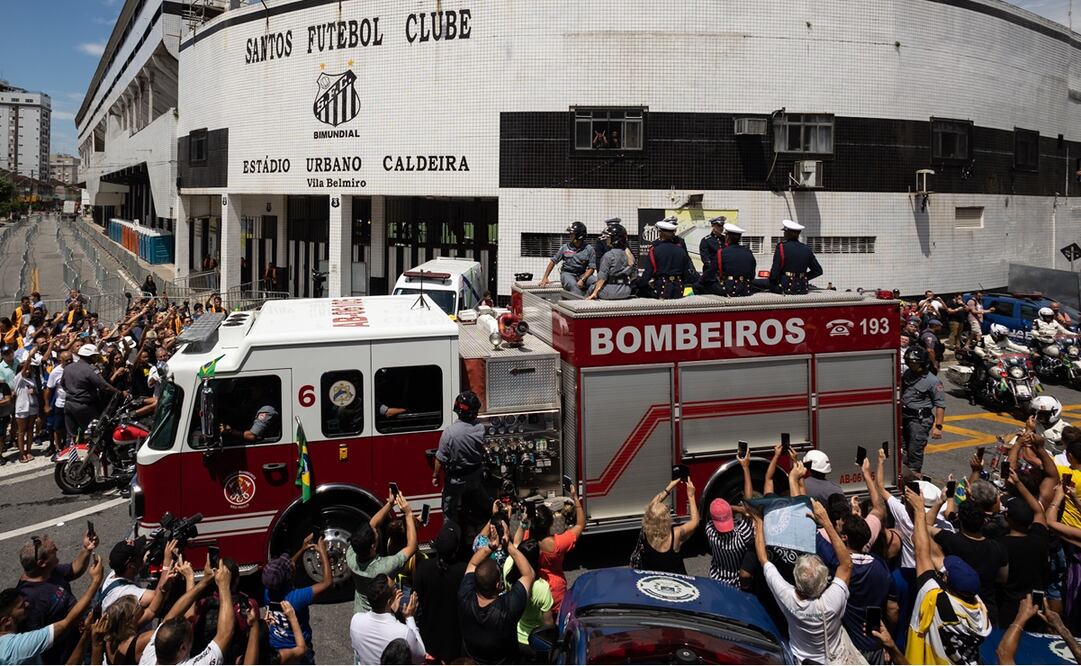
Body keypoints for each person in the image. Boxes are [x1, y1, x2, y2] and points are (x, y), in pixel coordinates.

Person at [751, 499, 863, 664]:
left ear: (796, 579)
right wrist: (826, 522)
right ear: (824, 583)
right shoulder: (833, 600)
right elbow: (846, 564)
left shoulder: (787, 597)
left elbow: (763, 559)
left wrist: (759, 521)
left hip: (801, 660)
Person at [903, 487, 991, 665]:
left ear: (947, 580)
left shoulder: (935, 599)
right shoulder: (980, 610)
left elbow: (922, 553)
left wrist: (919, 511)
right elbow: (934, 556)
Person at [0, 553, 103, 664]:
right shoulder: (19, 647)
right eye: (21, 606)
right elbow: (67, 623)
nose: (27, 605)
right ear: (6, 621)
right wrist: (96, 580)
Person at [15, 528, 99, 663]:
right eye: (53, 551)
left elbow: (73, 570)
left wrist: (86, 549)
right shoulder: (30, 600)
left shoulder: (49, 571)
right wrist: (95, 582)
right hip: (68, 656)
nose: (58, 550)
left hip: (82, 635)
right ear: (41, 563)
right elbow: (41, 641)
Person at [817, 513, 890, 663]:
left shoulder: (835, 563)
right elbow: (892, 608)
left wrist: (826, 523)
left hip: (850, 648)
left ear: (844, 537)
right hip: (876, 643)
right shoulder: (881, 565)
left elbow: (814, 533)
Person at [458, 526, 533, 664]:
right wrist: (509, 546)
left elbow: (473, 563)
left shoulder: (464, 596)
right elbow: (528, 574)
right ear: (499, 585)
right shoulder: (507, 608)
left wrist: (489, 547)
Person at [140, 560, 235, 665]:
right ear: (183, 648)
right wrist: (224, 586)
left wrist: (203, 581)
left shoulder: (149, 656)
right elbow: (224, 635)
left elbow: (169, 617)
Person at [929, 501, 1009, 626]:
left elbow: (925, 526)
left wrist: (941, 501)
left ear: (959, 519)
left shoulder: (950, 539)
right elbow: (1003, 578)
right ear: (984, 521)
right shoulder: (997, 547)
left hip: (957, 608)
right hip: (987, 610)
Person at [261, 537, 332, 663]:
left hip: (275, 647)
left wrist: (302, 549)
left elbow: (288, 568)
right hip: (297, 651)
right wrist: (323, 552)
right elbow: (327, 583)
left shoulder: (268, 591)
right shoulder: (296, 598)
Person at [346, 492, 418, 614]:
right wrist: (408, 514)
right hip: (380, 612)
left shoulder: (351, 554)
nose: (376, 531)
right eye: (376, 534)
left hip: (360, 612)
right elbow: (412, 546)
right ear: (373, 546)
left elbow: (371, 525)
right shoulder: (384, 567)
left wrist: (389, 504)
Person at [997, 472, 1051, 628]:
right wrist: (1019, 483)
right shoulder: (1039, 537)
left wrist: (1017, 483)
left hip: (1010, 606)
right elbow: (1039, 511)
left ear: (1009, 519)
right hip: (1036, 606)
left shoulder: (1002, 544)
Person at [432, 391, 489, 531]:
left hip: (456, 480)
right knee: (482, 501)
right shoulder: (480, 429)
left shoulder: (449, 433)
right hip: (475, 477)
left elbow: (440, 459)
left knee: (449, 510)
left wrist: (435, 475)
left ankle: (451, 534)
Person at [413, 521, 467, 663]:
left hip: (430, 635)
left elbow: (416, 598)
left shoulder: (424, 568)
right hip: (455, 637)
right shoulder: (464, 571)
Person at [527, 490, 585, 616]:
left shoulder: (527, 539)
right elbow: (580, 525)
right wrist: (576, 499)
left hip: (535, 590)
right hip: (556, 592)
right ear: (550, 524)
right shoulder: (558, 543)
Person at [350, 574, 425, 665]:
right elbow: (421, 656)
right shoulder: (404, 632)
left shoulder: (356, 620)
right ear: (390, 601)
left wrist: (392, 612)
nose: (398, 589)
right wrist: (409, 618)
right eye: (395, 587)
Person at [633, 477, 700, 575]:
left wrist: (670, 487)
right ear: (666, 519)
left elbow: (653, 504)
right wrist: (691, 496)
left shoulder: (645, 530)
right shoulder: (675, 535)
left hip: (655, 580)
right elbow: (695, 522)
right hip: (676, 582)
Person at [61, 344, 127, 436]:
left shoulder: (68, 367)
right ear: (91, 357)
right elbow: (104, 386)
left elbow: (63, 385)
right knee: (95, 433)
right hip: (84, 407)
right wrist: (120, 393)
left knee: (72, 435)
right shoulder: (90, 369)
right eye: (95, 356)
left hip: (68, 405)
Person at [503, 539, 553, 657]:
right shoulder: (542, 588)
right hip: (534, 641)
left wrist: (522, 524)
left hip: (514, 635)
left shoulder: (507, 568)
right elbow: (548, 623)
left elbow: (515, 549)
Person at [900, 345, 945, 473]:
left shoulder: (933, 381)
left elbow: (940, 404)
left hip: (919, 421)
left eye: (915, 362)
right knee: (902, 450)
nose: (912, 364)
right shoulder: (908, 374)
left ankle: (914, 479)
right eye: (910, 361)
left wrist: (938, 427)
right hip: (904, 416)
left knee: (915, 452)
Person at [968, 323, 1028, 405]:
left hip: (1001, 362)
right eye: (1002, 335)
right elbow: (977, 349)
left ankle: (1007, 393)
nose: (1004, 337)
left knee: (1011, 375)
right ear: (995, 333)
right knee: (981, 378)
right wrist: (984, 355)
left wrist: (1029, 351)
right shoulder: (984, 339)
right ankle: (972, 395)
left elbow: (1015, 346)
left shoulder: (1005, 340)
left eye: (1004, 335)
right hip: (987, 361)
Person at [639, 216, 696, 299]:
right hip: (679, 287)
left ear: (660, 233)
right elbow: (687, 272)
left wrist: (639, 284)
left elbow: (648, 273)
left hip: (662, 287)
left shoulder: (655, 250)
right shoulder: (681, 250)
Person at [538, 222, 596, 297]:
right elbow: (553, 261)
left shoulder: (589, 249)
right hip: (567, 273)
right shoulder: (565, 247)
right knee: (573, 286)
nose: (570, 236)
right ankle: (580, 303)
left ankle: (587, 297)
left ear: (579, 236)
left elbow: (591, 268)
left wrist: (582, 279)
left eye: (572, 234)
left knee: (596, 282)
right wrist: (545, 278)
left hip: (582, 274)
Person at [769, 219, 823, 295]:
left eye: (785, 232)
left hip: (785, 287)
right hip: (802, 287)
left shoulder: (781, 247)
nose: (784, 234)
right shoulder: (806, 249)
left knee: (756, 283)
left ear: (788, 233)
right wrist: (802, 278)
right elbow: (818, 271)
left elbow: (775, 271)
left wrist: (773, 282)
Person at [585, 222, 636, 300]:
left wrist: (594, 293)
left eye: (608, 238)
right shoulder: (630, 255)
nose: (606, 240)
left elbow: (602, 278)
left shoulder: (608, 255)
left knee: (591, 287)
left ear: (614, 239)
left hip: (609, 292)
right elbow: (634, 276)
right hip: (626, 291)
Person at [717, 222, 757, 296]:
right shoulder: (748, 252)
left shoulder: (722, 252)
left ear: (728, 237)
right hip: (746, 289)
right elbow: (752, 274)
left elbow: (714, 272)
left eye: (726, 235)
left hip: (729, 289)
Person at [43, 350, 70, 452]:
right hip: (61, 404)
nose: (70, 362)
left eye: (71, 359)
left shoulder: (75, 368)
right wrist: (46, 405)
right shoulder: (55, 372)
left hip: (73, 403)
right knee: (58, 429)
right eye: (67, 360)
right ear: (60, 360)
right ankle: (59, 449)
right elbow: (48, 389)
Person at [696, 216, 728, 295]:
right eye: (719, 226)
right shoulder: (706, 240)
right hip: (712, 276)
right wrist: (716, 271)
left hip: (725, 274)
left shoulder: (725, 239)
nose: (721, 228)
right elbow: (706, 260)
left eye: (722, 226)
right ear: (713, 226)